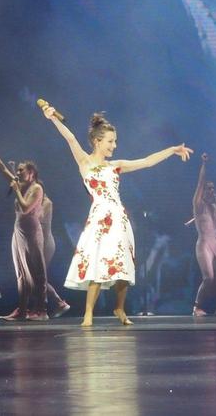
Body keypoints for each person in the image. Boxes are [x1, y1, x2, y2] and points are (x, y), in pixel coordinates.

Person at [41, 105, 193, 326]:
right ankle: (88, 313)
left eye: (115, 141)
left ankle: (119, 308)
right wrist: (52, 118)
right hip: (98, 219)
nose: (115, 145)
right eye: (110, 141)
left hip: (118, 220)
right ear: (97, 142)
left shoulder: (116, 166)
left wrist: (171, 149)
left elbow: (147, 161)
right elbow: (71, 138)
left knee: (121, 265)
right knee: (96, 264)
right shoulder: (85, 162)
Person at [0, 141, 48, 321]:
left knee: (37, 272)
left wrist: (16, 190)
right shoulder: (22, 185)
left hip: (32, 233)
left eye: (21, 170)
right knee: (21, 272)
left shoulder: (36, 188)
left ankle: (41, 310)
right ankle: (22, 309)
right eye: (17, 170)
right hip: (18, 232)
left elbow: (26, 208)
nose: (18, 173)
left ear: (31, 173)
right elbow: (3, 169)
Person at [190, 152, 216, 316]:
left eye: (213, 188)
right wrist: (204, 164)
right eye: (208, 188)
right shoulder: (198, 204)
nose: (211, 190)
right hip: (204, 244)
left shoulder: (215, 207)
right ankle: (197, 306)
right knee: (209, 278)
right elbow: (200, 183)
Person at [39, 194, 71, 317]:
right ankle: (52, 303)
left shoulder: (47, 203)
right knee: (36, 277)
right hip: (39, 241)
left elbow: (39, 219)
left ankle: (57, 303)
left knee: (38, 277)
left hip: (45, 242)